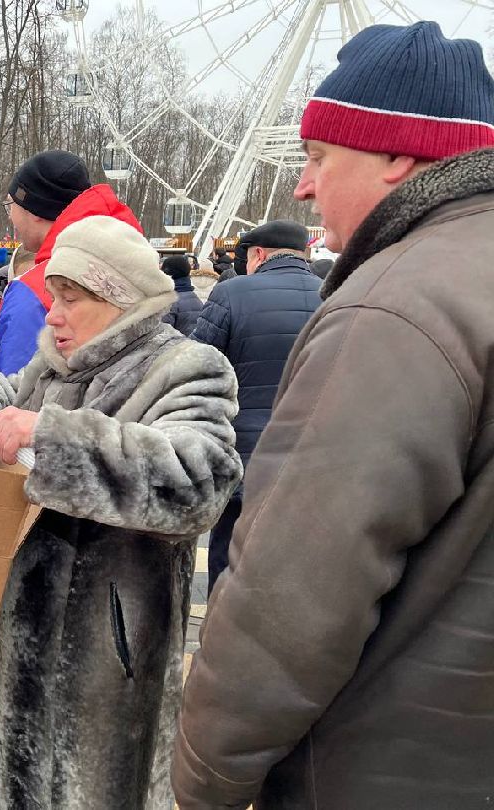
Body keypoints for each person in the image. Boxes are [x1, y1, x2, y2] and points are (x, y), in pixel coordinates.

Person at [174, 22, 494, 809]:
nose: (303, 186)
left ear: (397, 154)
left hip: (384, 769)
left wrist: (206, 774)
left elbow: (291, 599)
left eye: (319, 156)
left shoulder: (395, 309)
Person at [0, 215, 242, 809]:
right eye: (52, 297)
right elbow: (5, 387)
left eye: (70, 298)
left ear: (119, 299)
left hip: (100, 672)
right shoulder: (58, 365)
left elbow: (199, 479)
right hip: (7, 653)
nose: (52, 316)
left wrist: (51, 438)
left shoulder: (185, 367)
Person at [190, 219, 321, 594]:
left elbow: (196, 364)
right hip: (311, 457)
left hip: (243, 454)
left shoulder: (232, 293)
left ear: (259, 254)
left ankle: (220, 623)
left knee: (229, 558)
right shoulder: (334, 294)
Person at [0, 150, 145, 375]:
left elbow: (18, 387)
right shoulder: (131, 268)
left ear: (34, 209)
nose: (10, 217)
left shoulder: (31, 289)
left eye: (10, 206)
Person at [160, 254, 202, 335]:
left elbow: (163, 333)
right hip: (193, 342)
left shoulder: (170, 301)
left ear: (168, 274)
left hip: (176, 342)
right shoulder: (196, 297)